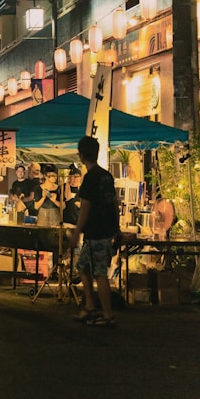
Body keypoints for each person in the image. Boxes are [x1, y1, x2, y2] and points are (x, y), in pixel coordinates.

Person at [69, 136, 119, 327]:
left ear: (81, 156)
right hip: (106, 230)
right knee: (82, 267)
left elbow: (86, 207)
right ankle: (90, 306)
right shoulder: (107, 176)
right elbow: (115, 203)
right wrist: (117, 227)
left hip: (95, 232)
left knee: (99, 274)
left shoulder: (90, 178)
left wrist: (76, 232)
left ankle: (107, 314)